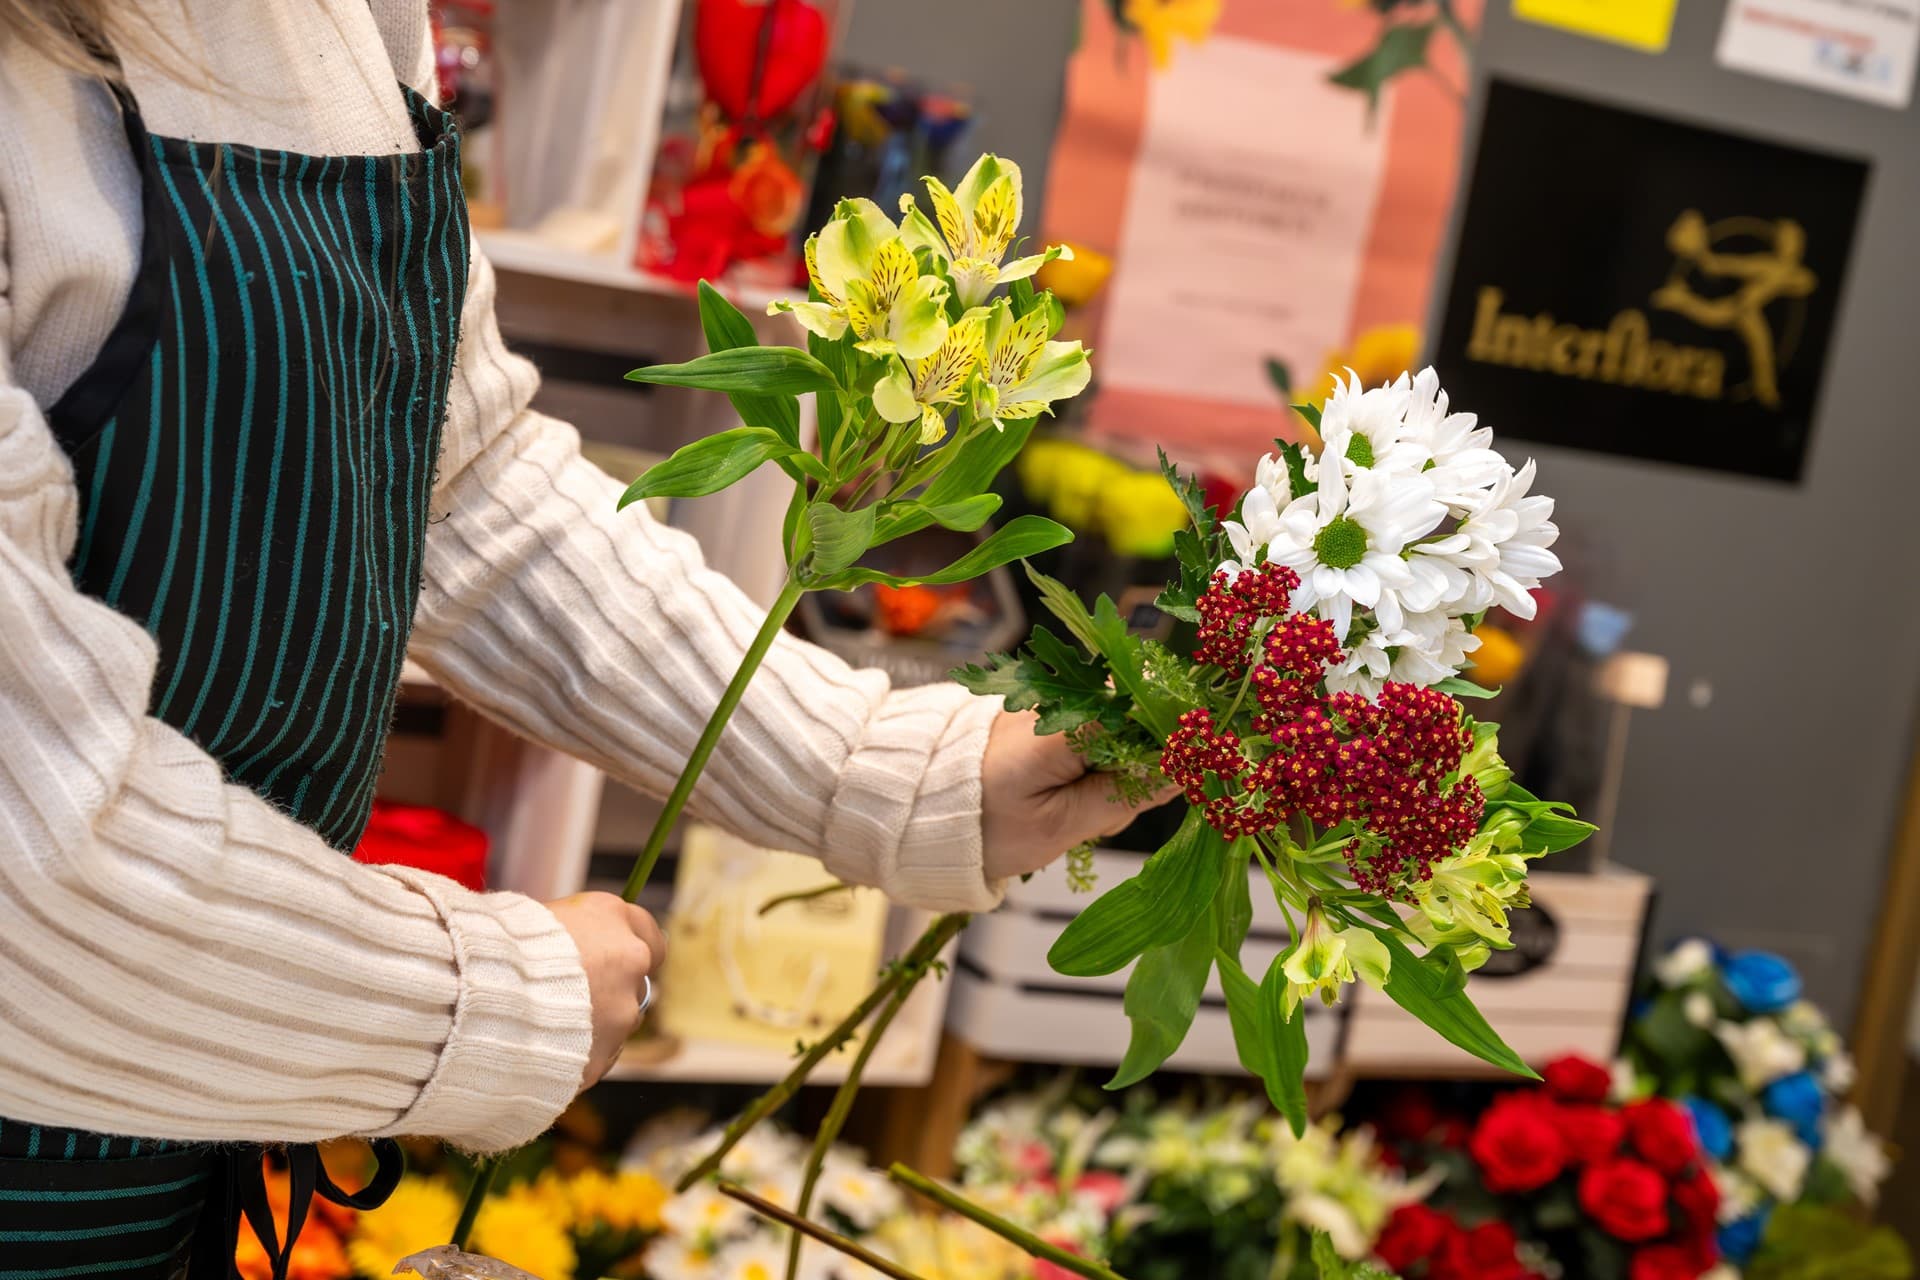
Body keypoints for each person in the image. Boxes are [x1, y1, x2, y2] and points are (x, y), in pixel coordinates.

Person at [0, 2, 1151, 1275]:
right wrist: (491, 1001)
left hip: (169, 1172)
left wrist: (883, 769)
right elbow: (20, 863)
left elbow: (456, 480)